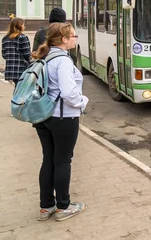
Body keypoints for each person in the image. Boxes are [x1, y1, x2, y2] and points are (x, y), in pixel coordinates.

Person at [31, 22, 88, 222]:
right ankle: (64, 206)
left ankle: (46, 206)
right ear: (64, 39)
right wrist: (83, 102)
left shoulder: (45, 55)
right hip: (63, 117)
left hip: (43, 116)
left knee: (48, 159)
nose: (75, 38)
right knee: (63, 161)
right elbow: (69, 92)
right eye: (73, 36)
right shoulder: (63, 61)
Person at [2, 17, 31, 87]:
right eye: (23, 25)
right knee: (22, 90)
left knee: (17, 87)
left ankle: (15, 97)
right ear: (19, 26)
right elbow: (27, 55)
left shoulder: (5, 38)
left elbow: (4, 55)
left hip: (11, 69)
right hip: (21, 69)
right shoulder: (23, 37)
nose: (24, 26)